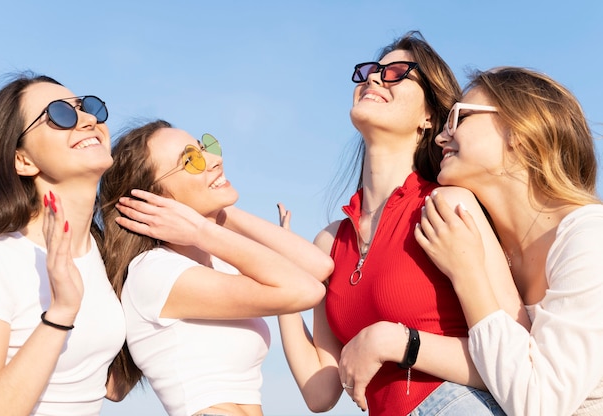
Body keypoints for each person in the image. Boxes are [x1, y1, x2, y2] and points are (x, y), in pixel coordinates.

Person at [277, 31, 530, 415]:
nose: (374, 79)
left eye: (396, 72)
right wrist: (281, 285)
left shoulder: (446, 205)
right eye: (371, 72)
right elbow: (321, 392)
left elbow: (517, 355)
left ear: (429, 117)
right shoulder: (329, 242)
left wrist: (397, 342)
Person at [98, 120, 333, 416]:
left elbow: (318, 268)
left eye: (203, 147)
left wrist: (218, 212)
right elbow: (304, 290)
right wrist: (202, 228)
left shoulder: (217, 265)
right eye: (190, 160)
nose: (215, 159)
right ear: (157, 199)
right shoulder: (154, 273)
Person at [415, 66, 603, 416]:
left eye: (460, 117)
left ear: (518, 130)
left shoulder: (590, 238)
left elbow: (540, 403)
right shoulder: (492, 244)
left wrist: (467, 274)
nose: (442, 137)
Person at [0, 73, 126, 415]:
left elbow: (109, 386)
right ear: (22, 160)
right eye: (60, 114)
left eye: (87, 107)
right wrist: (60, 314)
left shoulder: (101, 252)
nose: (88, 120)